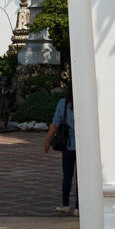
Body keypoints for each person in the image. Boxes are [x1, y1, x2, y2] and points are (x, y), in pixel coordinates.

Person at [44, 78, 76, 213]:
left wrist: (47, 140)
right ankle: (79, 207)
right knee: (82, 178)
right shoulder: (85, 103)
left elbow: (55, 124)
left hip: (68, 145)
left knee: (67, 176)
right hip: (84, 147)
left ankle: (65, 204)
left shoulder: (63, 103)